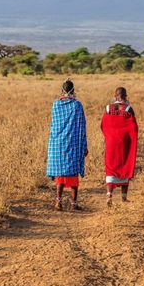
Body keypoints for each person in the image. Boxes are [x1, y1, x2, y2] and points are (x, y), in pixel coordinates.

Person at [46, 79, 88, 211]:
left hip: (58, 144)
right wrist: (84, 145)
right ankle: (74, 204)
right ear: (73, 91)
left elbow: (53, 126)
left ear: (61, 91)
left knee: (60, 174)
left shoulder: (56, 105)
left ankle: (58, 202)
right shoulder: (77, 105)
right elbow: (82, 127)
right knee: (73, 173)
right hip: (73, 143)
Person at [101, 87, 139, 206]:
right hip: (124, 142)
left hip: (111, 142)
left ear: (115, 95)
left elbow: (103, 125)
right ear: (126, 95)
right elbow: (134, 128)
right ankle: (123, 197)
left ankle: (109, 195)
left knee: (111, 167)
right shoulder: (128, 109)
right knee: (124, 165)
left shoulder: (108, 108)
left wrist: (109, 136)